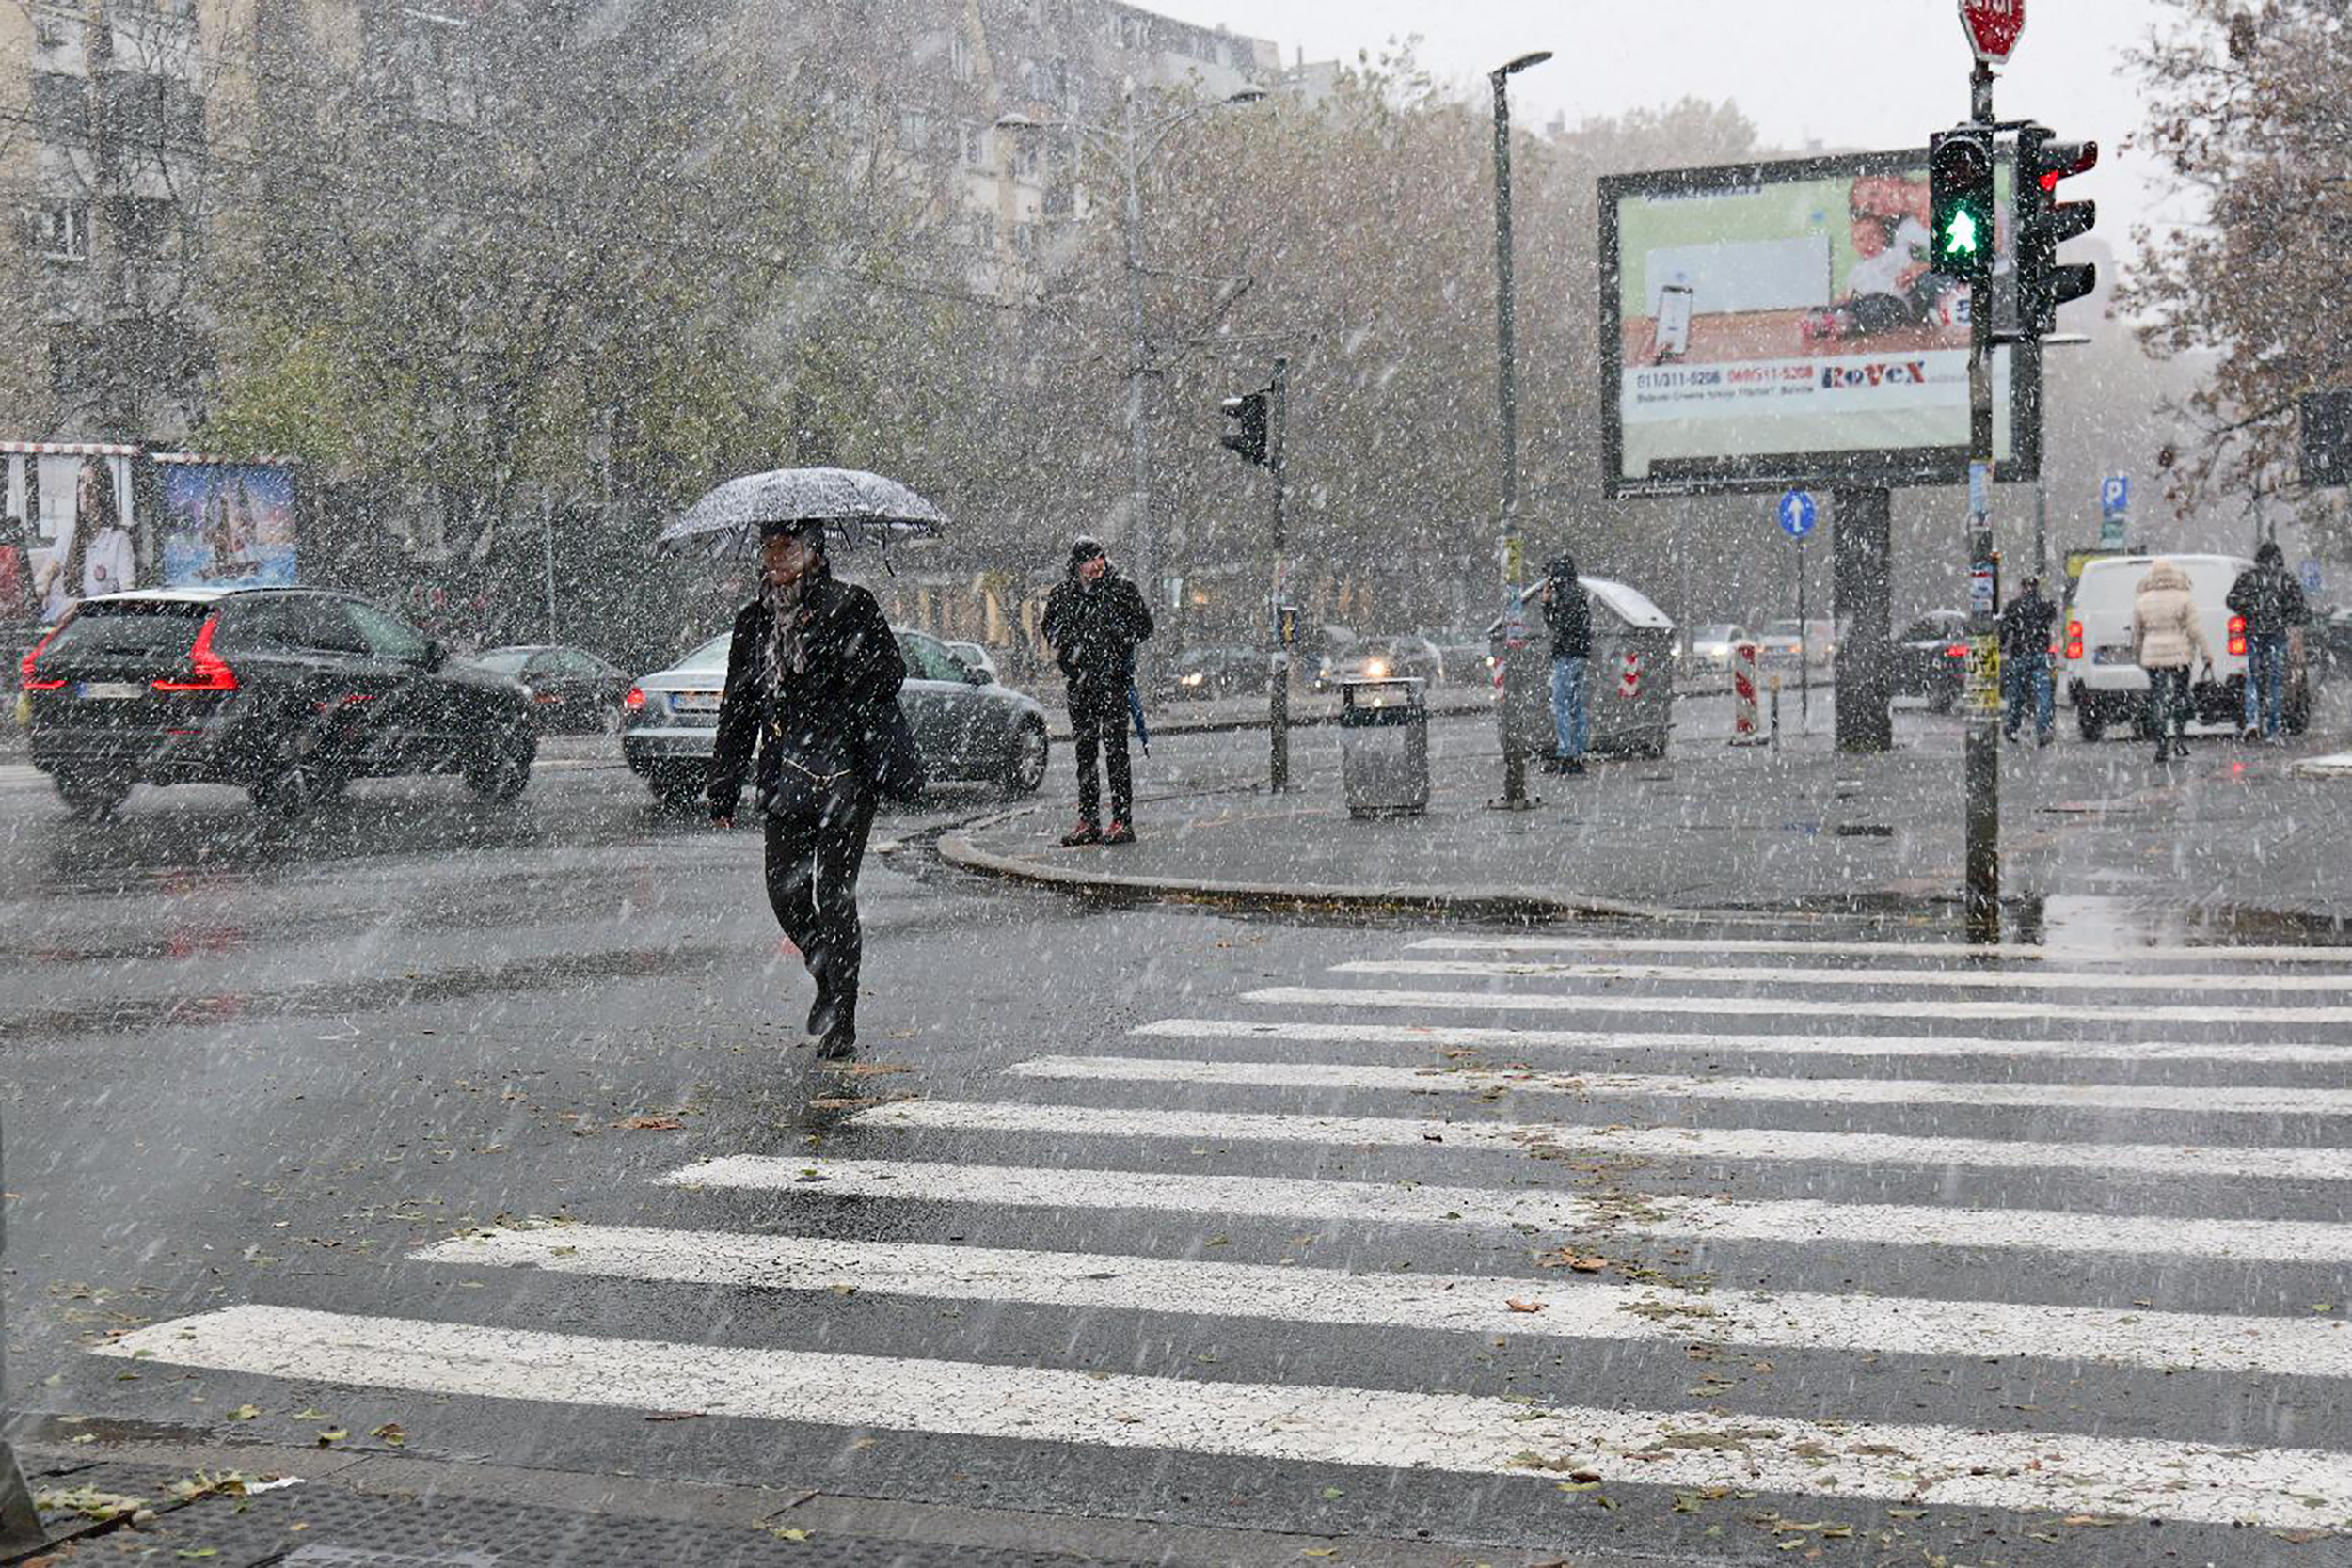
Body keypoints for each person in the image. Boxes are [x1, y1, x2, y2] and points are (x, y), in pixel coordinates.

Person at [707, 518, 906, 1061]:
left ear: (813, 551)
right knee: (784, 891)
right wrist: (723, 786)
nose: (775, 556)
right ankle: (824, 966)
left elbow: (892, 671)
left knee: (835, 894)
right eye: (768, 546)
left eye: (786, 546)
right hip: (785, 774)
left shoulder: (850, 605)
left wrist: (839, 662)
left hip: (844, 770)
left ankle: (843, 1016)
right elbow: (739, 707)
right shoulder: (754, 622)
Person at [1041, 535, 1152, 846]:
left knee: (1117, 752)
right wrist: (1064, 644)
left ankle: (1121, 819)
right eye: (1090, 560)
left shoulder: (1121, 590)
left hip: (1113, 683)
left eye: (1100, 558)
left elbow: (1145, 627)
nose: (1097, 565)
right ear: (1077, 565)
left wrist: (1121, 636)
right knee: (1085, 754)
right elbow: (1048, 627)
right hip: (1080, 685)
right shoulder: (1063, 594)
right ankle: (1089, 820)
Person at [2131, 558, 2213, 765]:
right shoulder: (2184, 598)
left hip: (2153, 655)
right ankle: (2178, 737)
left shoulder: (2143, 600)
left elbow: (2136, 633)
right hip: (2180, 654)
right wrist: (2206, 653)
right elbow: (2195, 630)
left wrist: (2138, 654)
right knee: (2180, 695)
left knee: (2157, 697)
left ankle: (2160, 742)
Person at [2226, 541, 2308, 743]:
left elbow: (2232, 600)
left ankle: (2252, 720)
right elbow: (2300, 608)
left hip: (2253, 632)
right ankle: (2274, 729)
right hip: (2277, 634)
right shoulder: (2286, 579)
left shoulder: (2248, 578)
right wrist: (2285, 618)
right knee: (2276, 681)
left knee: (2253, 677)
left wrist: (2250, 611)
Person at [1538, 553, 1591, 775]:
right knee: (1576, 706)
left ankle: (1566, 753)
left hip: (1566, 656)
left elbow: (1557, 627)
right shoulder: (1578, 594)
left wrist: (1547, 605)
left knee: (1561, 705)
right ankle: (1577, 752)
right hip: (1579, 656)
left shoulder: (1566, 597)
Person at [1997, 576, 2058, 747]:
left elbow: (2005, 631)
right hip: (2040, 655)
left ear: (2022, 587)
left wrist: (1999, 646)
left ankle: (2012, 727)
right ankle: (2043, 729)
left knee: (2016, 695)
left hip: (2019, 656)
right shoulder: (2046, 606)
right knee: (2043, 695)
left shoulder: (2014, 607)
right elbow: (2050, 618)